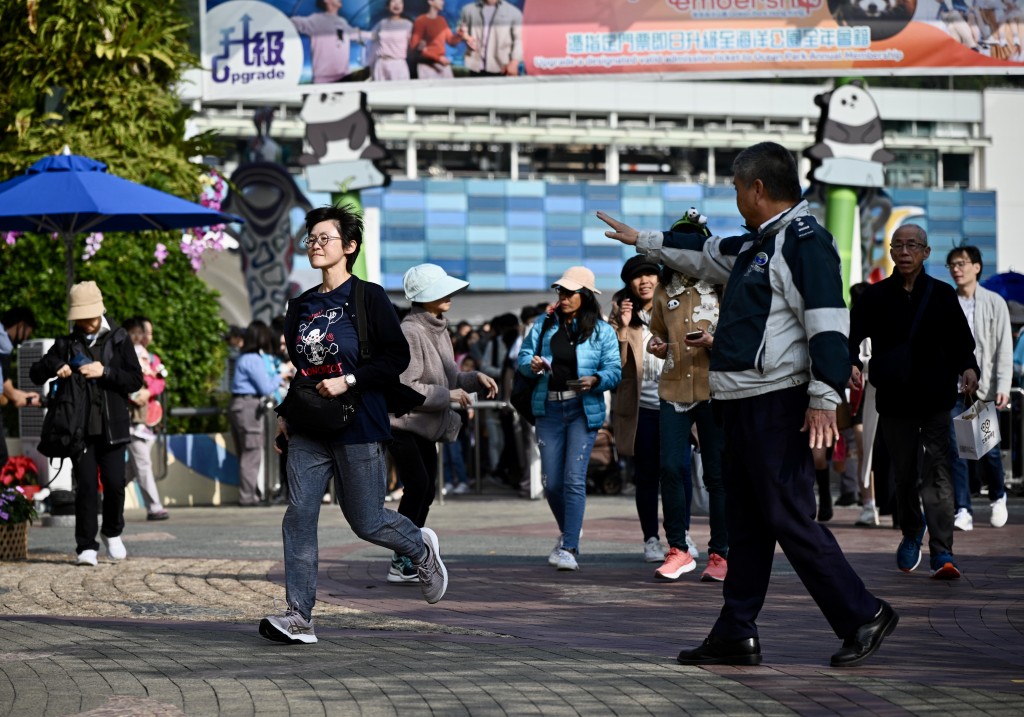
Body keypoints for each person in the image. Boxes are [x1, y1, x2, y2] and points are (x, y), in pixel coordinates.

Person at [598, 141, 895, 668]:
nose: (735, 198)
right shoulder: (762, 242)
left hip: (776, 401)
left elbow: (828, 320)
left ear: (758, 187)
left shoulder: (804, 240)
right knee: (749, 522)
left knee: (787, 516)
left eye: (737, 188)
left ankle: (862, 613)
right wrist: (640, 238)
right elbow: (704, 255)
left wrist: (824, 396)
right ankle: (737, 629)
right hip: (739, 400)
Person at [260, 204, 448, 645]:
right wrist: (286, 416)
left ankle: (419, 547)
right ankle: (299, 617)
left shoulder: (368, 298)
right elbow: (303, 370)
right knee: (299, 516)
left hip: (358, 423)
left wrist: (350, 380)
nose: (315, 244)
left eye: (324, 238)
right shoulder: (301, 305)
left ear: (349, 247)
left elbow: (395, 359)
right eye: (310, 238)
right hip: (309, 427)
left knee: (365, 521)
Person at [849, 225, 980, 580]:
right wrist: (850, 365)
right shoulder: (874, 297)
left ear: (925, 252)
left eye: (913, 245)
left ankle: (943, 551)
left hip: (936, 399)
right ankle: (911, 531)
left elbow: (961, 343)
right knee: (904, 476)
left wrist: (969, 367)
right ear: (891, 252)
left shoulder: (941, 294)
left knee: (938, 474)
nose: (905, 251)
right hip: (894, 400)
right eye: (899, 245)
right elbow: (852, 337)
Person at [387, 263, 497, 583]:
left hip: (424, 427)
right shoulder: (411, 331)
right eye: (442, 289)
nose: (449, 294)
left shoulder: (438, 327)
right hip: (403, 425)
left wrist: (475, 379)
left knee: (426, 490)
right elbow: (405, 387)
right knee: (419, 487)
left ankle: (409, 555)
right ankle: (403, 556)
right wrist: (448, 394)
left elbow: (450, 377)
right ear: (425, 296)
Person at [29, 282, 143, 566]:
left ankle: (112, 532)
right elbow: (35, 373)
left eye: (89, 317)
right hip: (79, 430)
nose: (86, 324)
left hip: (113, 428)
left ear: (100, 311)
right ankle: (85, 546)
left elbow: (135, 379)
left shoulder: (119, 339)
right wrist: (55, 366)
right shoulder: (67, 343)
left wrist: (106, 372)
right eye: (80, 318)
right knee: (87, 488)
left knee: (116, 484)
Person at [517, 266, 621, 572]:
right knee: (551, 483)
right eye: (560, 291)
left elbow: (615, 369)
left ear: (585, 296)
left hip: (582, 409)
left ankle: (569, 546)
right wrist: (532, 365)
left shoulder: (602, 330)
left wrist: (596, 379)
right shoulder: (545, 322)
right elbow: (522, 358)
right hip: (548, 409)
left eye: (569, 292)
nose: (563, 297)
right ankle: (570, 529)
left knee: (574, 479)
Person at [645, 238, 730, 584]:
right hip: (674, 388)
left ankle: (721, 553)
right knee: (669, 468)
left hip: (715, 389)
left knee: (717, 475)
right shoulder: (665, 290)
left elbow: (743, 337)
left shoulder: (723, 285)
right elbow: (657, 335)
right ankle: (678, 549)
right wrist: (657, 346)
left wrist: (714, 342)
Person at [946, 245, 1012, 530]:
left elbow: (1003, 347)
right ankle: (963, 509)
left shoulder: (994, 301)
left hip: (983, 388)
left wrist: (1003, 384)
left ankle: (998, 496)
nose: (956, 269)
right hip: (953, 388)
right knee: (958, 449)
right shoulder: (947, 301)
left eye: (962, 263)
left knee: (988, 449)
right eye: (952, 264)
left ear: (976, 267)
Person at [609, 256, 667, 565]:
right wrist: (624, 329)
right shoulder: (621, 316)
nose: (644, 281)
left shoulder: (673, 307)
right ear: (628, 283)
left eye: (649, 274)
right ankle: (651, 539)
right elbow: (615, 367)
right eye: (637, 277)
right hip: (641, 408)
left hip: (677, 404)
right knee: (647, 475)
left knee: (677, 472)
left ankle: (679, 538)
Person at [228, 321, 280, 507]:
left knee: (246, 452)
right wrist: (281, 373)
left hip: (239, 405)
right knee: (252, 452)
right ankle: (248, 497)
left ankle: (252, 493)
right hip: (249, 406)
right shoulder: (253, 359)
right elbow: (266, 387)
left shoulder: (244, 358)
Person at [123, 318, 169, 521]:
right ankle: (154, 507)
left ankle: (103, 496)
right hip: (131, 419)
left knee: (133, 468)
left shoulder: (152, 358)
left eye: (145, 333)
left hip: (149, 420)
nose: (143, 337)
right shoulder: (122, 356)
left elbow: (161, 384)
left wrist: (147, 391)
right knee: (142, 464)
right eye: (138, 333)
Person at [291, 0, 371, 84]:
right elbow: (295, 23)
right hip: (324, 81)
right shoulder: (317, 20)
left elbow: (355, 33)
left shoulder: (341, 21)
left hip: (343, 78)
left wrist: (376, 35)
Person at [0, 307, 41, 467]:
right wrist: (20, 398)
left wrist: (22, 397)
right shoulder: (4, 343)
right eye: (28, 332)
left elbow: (5, 382)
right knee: (1, 456)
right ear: (21, 325)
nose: (26, 338)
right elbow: (4, 386)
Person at [456, 0, 523, 77]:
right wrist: (465, 36)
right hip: (475, 67)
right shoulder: (468, 10)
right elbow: (461, 30)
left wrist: (514, 62)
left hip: (501, 67)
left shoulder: (514, 13)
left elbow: (519, 40)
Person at [409, 0, 466, 80]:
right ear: (430, 1)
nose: (443, 2)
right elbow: (414, 47)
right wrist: (437, 58)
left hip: (442, 64)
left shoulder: (442, 20)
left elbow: (451, 41)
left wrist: (460, 35)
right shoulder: (421, 21)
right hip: (427, 66)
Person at [370, 0, 413, 81]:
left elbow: (412, 46)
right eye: (393, 1)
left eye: (400, 2)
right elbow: (372, 40)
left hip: (398, 64)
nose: (397, 4)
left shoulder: (408, 25)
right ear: (388, 5)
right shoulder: (381, 23)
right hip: (381, 64)